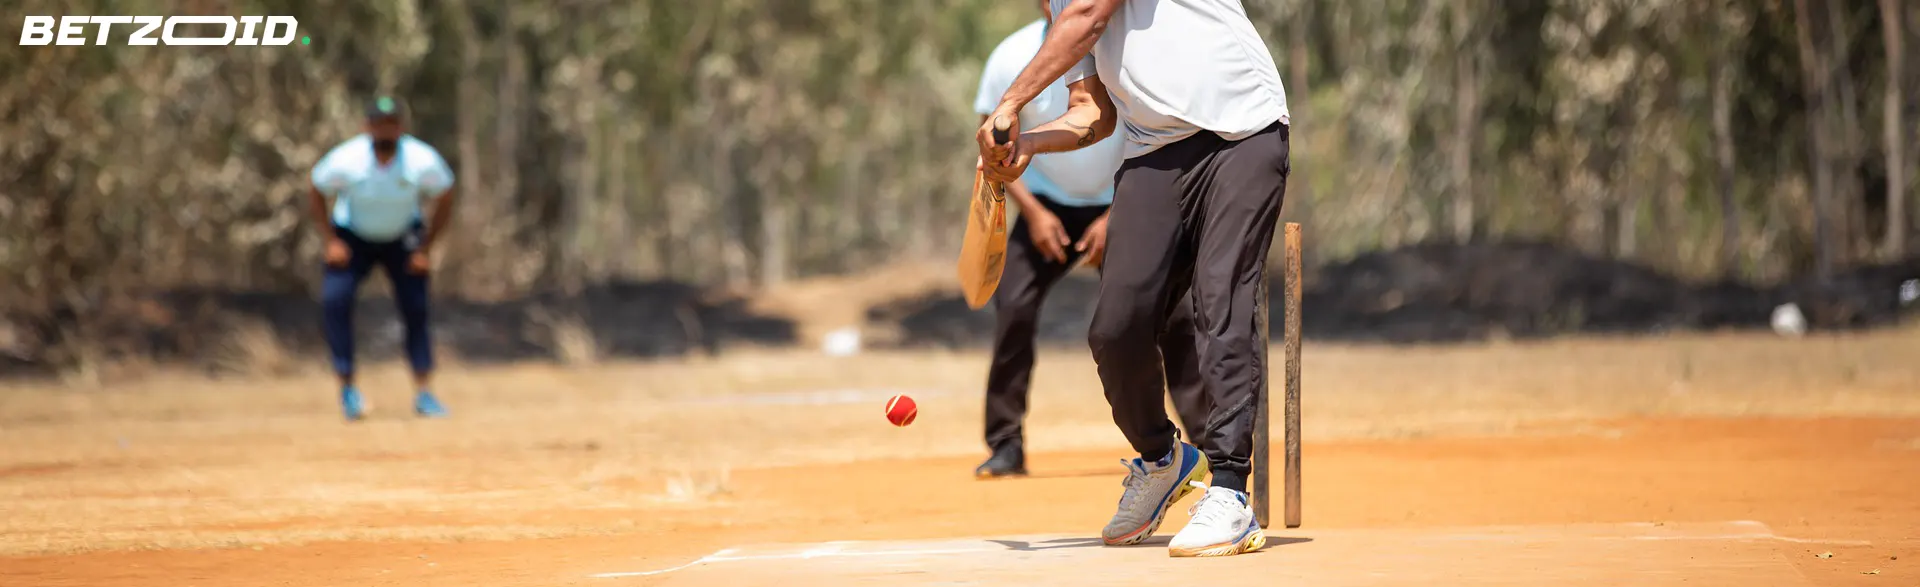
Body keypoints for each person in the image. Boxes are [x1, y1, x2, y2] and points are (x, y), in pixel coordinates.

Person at [976, 0, 1291, 557]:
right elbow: (1091, 112)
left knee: (1220, 303)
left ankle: (1228, 491)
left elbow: (1092, 16)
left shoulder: (1074, 11)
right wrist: (1028, 144)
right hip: (1156, 151)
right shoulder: (1058, 4)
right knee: (1115, 328)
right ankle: (1162, 460)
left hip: (1241, 131)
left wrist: (1010, 104)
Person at [970, 0, 1211, 480]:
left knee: (1172, 315)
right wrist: (1035, 215)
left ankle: (1204, 440)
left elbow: (1144, 129)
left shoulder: (1120, 48)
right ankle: (1005, 445)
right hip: (1044, 205)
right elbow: (989, 147)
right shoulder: (1008, 57)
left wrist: (1113, 215)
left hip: (1122, 201)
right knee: (1013, 308)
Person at [307, 96, 457, 421]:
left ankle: (424, 392)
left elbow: (446, 193)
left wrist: (425, 248)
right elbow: (316, 188)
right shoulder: (347, 159)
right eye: (379, 123)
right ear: (367, 126)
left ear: (400, 127)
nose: (385, 129)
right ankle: (347, 389)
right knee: (335, 301)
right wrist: (331, 241)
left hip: (403, 238)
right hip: (353, 236)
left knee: (416, 308)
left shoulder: (421, 160)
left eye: (391, 123)